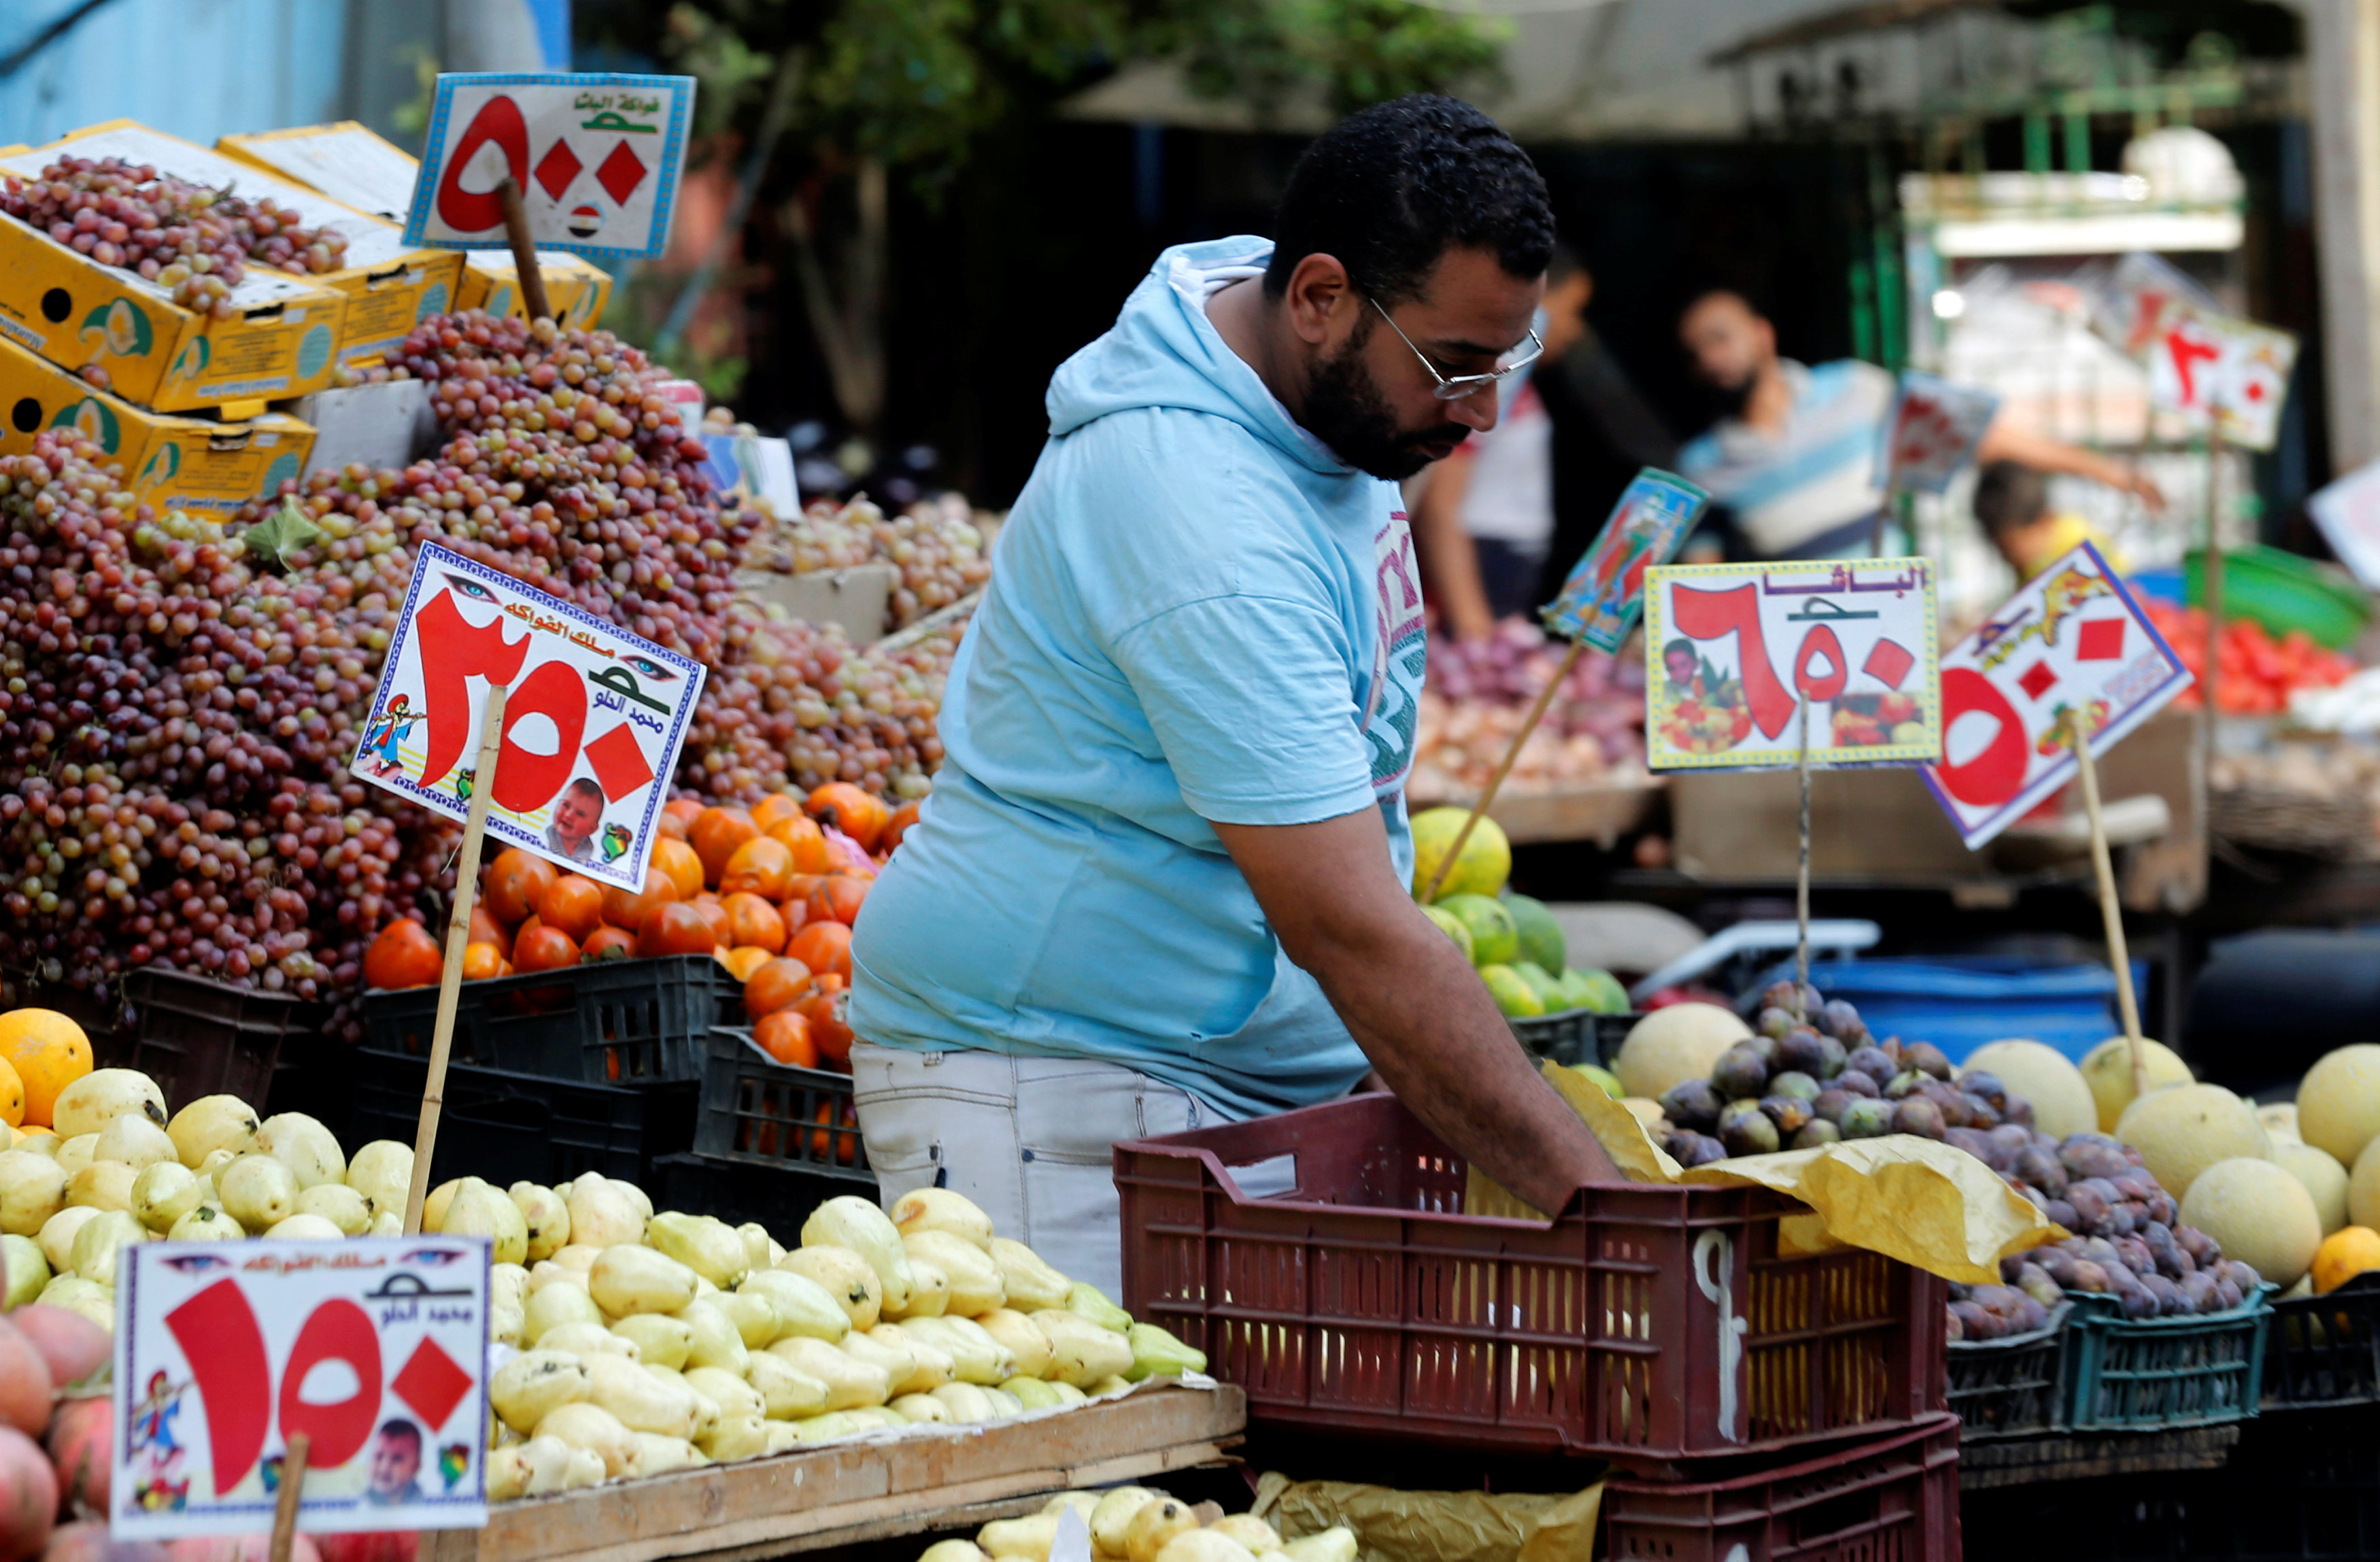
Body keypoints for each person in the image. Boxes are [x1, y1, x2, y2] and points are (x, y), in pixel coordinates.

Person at [847, 95, 1617, 1296]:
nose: (1481, 412)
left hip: (1217, 1082)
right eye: (1454, 368)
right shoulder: (1198, 511)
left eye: (1505, 363)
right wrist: (1607, 1211)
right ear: (1318, 298)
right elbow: (1349, 925)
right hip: (1055, 1086)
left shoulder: (1312, 390)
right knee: (1110, 1478)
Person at [1674, 289, 2162, 561]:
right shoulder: (1700, 465)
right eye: (1696, 352)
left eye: (1721, 339)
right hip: (1796, 660)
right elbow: (1702, 577)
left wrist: (2112, 473)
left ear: (1763, 334)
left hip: (1897, 629)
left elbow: (1983, 438)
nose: (1712, 359)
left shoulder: (1853, 388)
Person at [1412, 248, 1675, 640]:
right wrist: (1475, 632)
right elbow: (1439, 505)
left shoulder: (1516, 378)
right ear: (1534, 299)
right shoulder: (1496, 371)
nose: (1575, 329)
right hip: (1477, 578)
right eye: (1571, 309)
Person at [1971, 460, 2129, 583]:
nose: (2005, 558)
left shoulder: (2072, 558)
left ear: (2043, 522)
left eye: (2008, 547)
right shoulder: (2036, 563)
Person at [545, 777, 604, 864]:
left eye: (580, 814)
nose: (568, 815)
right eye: (566, 805)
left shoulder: (589, 851)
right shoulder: (546, 838)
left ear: (592, 829)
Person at [364, 1421, 422, 1508]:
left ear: (415, 1467)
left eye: (397, 1459)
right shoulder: (361, 1503)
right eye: (379, 1457)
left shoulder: (424, 1502)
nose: (384, 1468)